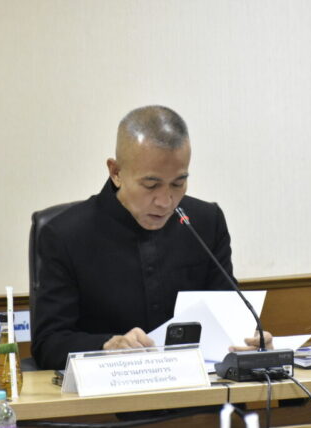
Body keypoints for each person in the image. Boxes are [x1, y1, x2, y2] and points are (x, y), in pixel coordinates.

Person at [32, 106, 271, 369]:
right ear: (116, 172)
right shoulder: (65, 234)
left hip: (196, 385)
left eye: (178, 183)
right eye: (151, 185)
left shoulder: (205, 222)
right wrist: (106, 346)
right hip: (109, 387)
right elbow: (48, 343)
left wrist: (251, 342)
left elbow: (228, 316)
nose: (165, 201)